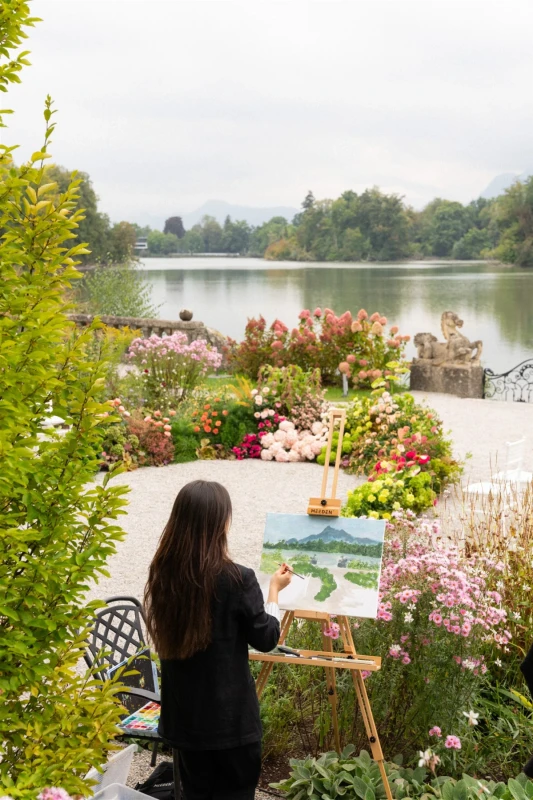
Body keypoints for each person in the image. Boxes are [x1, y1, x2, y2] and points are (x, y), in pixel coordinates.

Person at [144, 479, 292, 800]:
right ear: (220, 523)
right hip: (230, 727)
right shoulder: (237, 578)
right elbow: (266, 638)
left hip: (185, 723)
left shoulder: (162, 573)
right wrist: (274, 593)